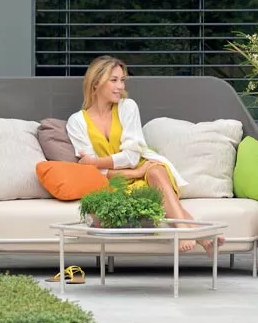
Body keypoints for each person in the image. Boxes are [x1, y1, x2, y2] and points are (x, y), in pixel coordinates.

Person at [66, 55, 224, 253]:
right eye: (114, 80)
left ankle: (183, 231)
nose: (120, 86)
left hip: (145, 166)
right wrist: (133, 173)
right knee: (156, 196)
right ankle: (203, 236)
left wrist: (97, 161)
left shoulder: (127, 107)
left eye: (122, 80)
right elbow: (92, 171)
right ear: (96, 83)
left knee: (156, 171)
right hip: (116, 179)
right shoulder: (76, 122)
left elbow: (132, 157)